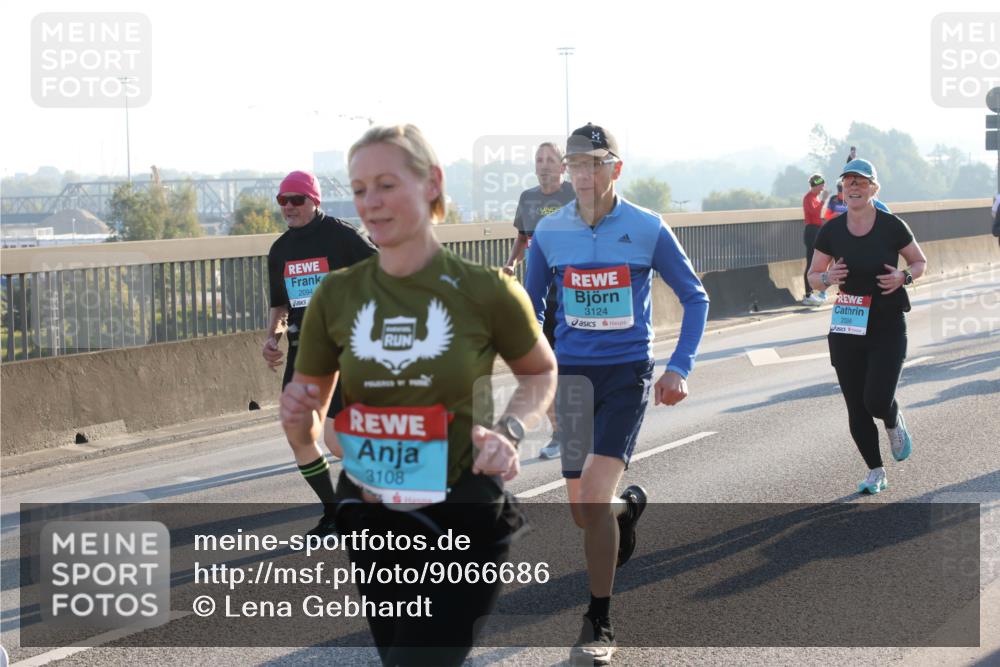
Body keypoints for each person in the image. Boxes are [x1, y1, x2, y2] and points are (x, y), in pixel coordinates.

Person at [280, 124, 557, 666]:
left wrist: (509, 432)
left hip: (462, 516)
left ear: (432, 183)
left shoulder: (487, 290)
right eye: (360, 190)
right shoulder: (336, 295)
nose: (371, 202)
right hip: (373, 517)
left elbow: (540, 372)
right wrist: (299, 423)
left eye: (386, 184)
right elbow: (314, 415)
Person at [525, 123, 709, 665]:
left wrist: (678, 368)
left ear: (616, 169)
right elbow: (530, 308)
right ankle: (625, 512)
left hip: (626, 374)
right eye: (575, 165)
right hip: (571, 378)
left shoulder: (647, 227)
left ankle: (599, 621)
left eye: (594, 164)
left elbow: (695, 297)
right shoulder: (549, 232)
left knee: (591, 495)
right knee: (585, 512)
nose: (583, 174)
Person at [264, 170, 377, 536]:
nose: (288, 207)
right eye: (283, 200)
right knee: (298, 434)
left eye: (296, 200)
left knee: (338, 443)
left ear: (314, 201)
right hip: (303, 352)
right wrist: (272, 338)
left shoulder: (343, 236)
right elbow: (280, 305)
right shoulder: (280, 250)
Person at [807, 158, 927, 494]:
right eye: (849, 182)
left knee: (876, 400)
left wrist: (903, 276)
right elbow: (813, 276)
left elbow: (919, 262)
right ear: (842, 190)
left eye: (861, 182)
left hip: (887, 322)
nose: (854, 187)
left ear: (874, 188)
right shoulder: (831, 230)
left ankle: (892, 418)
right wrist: (827, 278)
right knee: (856, 404)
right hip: (848, 323)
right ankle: (876, 471)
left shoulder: (892, 226)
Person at [502, 142, 575, 459]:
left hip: (574, 296)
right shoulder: (528, 199)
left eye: (550, 159)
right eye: (539, 159)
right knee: (542, 369)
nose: (544, 164)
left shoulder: (575, 195)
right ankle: (560, 433)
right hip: (538, 297)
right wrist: (511, 264)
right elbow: (522, 238)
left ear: (563, 167)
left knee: (572, 367)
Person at [802, 173, 829, 306]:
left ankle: (812, 293)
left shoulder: (815, 197)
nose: (823, 188)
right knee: (810, 263)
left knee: (815, 263)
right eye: (821, 185)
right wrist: (823, 201)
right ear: (816, 185)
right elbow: (814, 212)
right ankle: (808, 295)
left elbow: (818, 216)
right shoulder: (808, 198)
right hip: (811, 231)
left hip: (816, 230)